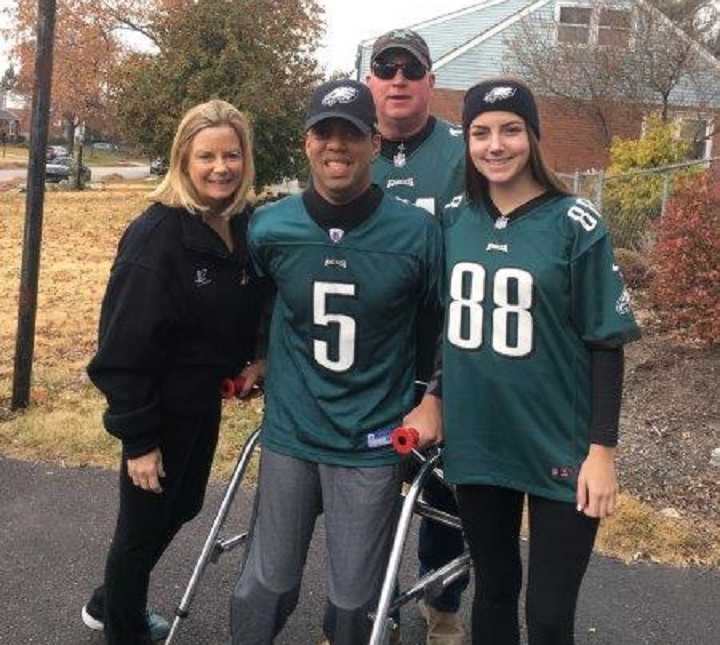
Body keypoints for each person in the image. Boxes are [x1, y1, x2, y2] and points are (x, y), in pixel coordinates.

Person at [408, 78, 641, 645]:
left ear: (532, 137)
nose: (495, 145)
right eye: (481, 132)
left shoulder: (574, 222)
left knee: (549, 614)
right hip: (480, 438)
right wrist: (435, 395)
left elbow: (606, 343)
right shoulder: (456, 217)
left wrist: (602, 452)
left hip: (558, 442)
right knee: (492, 588)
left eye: (510, 130)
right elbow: (451, 325)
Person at [229, 79, 443, 645]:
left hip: (371, 437)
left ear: (374, 143)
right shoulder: (270, 226)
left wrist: (433, 397)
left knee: (355, 601)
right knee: (264, 586)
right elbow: (263, 299)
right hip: (292, 428)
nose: (337, 146)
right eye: (325, 131)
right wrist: (259, 356)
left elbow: (438, 325)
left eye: (350, 133)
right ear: (307, 142)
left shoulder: (416, 232)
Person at [81, 99, 265, 645]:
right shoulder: (157, 237)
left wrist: (256, 357)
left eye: (231, 154)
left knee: (182, 506)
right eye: (206, 156)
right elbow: (120, 348)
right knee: (139, 532)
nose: (220, 167)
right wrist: (138, 440)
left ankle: (107, 602)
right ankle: (123, 628)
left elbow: (247, 305)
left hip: (201, 401)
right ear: (183, 159)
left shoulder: (239, 223)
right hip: (156, 409)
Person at [366, 28, 468, 645]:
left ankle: (443, 604)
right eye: (386, 67)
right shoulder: (348, 146)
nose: (399, 78)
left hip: (448, 354)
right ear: (371, 81)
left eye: (412, 69)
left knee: (445, 495)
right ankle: (372, 604)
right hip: (373, 360)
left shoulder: (465, 151)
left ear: (430, 81)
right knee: (370, 490)